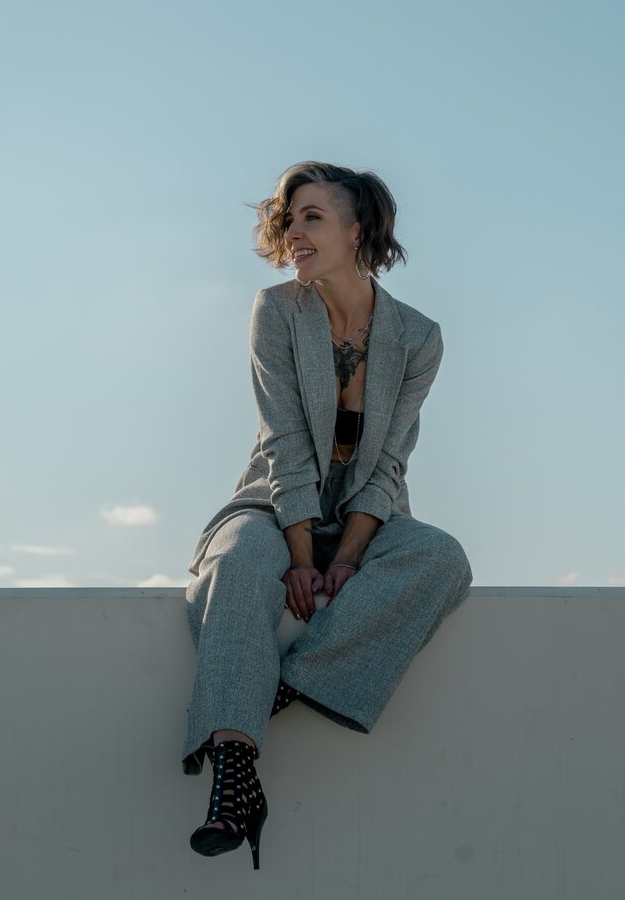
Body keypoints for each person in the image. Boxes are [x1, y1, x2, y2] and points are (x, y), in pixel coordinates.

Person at [182, 161, 473, 869]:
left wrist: (344, 560)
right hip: (273, 503)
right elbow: (283, 442)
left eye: (312, 216)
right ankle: (233, 774)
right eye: (290, 219)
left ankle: (283, 685)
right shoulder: (276, 310)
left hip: (366, 516)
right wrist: (300, 558)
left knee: (440, 558)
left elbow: (390, 461)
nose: (294, 232)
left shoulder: (418, 337)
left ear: (357, 228)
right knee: (238, 563)